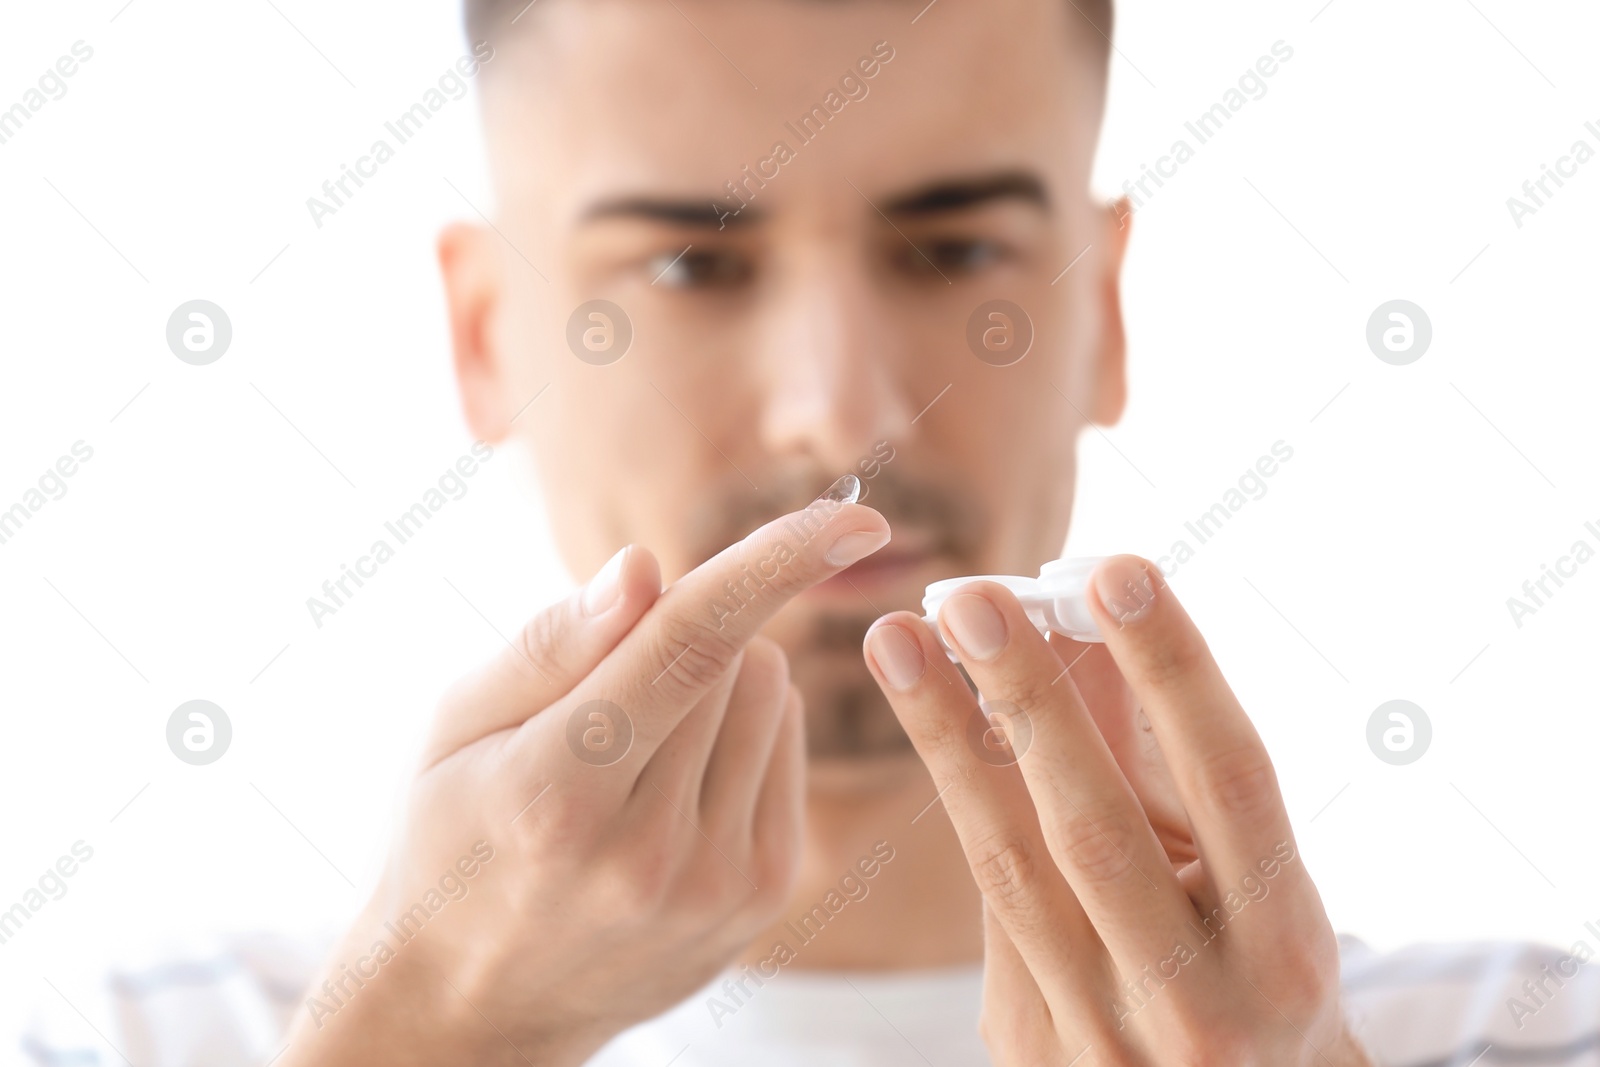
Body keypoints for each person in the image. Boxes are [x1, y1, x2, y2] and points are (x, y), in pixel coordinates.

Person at [21, 1, 1600, 1064]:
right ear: (491, 337)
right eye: (694, 269)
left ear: (1102, 316)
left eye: (955, 246)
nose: (838, 414)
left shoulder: (1519, 1033)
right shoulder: (137, 1038)